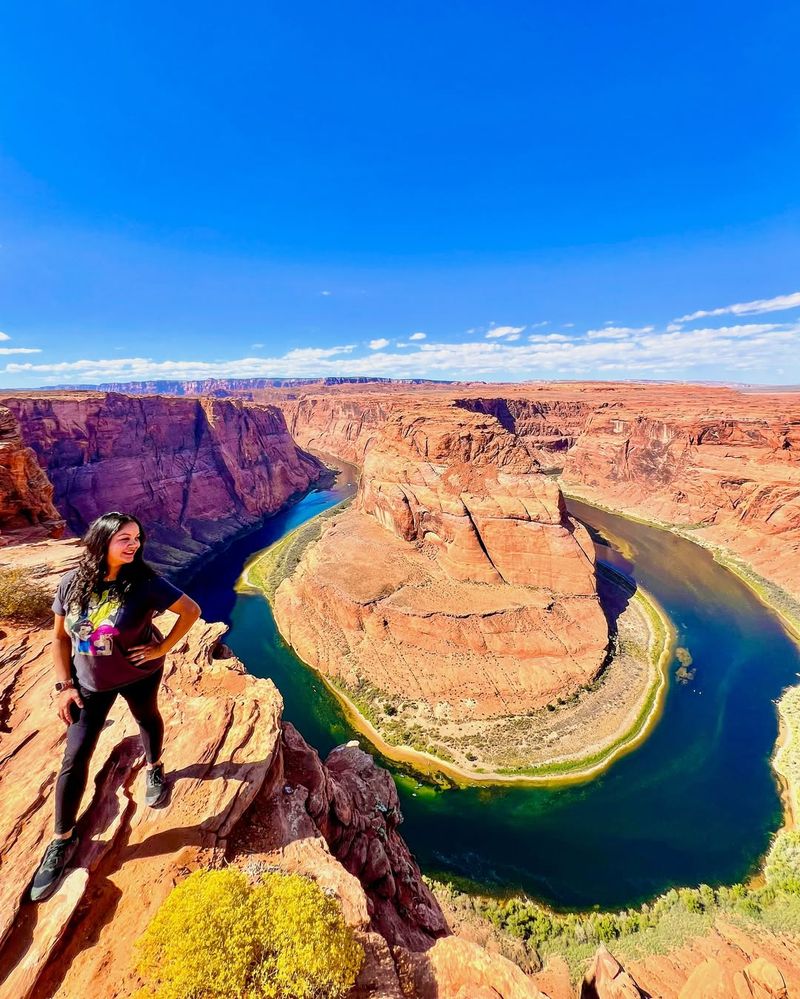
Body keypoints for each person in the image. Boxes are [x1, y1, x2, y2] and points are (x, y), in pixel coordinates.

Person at [29, 512, 201, 902]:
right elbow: (59, 638)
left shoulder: (144, 583)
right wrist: (63, 686)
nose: (134, 545)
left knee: (146, 718)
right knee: (75, 757)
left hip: (139, 673)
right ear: (102, 539)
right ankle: (62, 839)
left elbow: (191, 611)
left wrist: (161, 648)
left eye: (137, 538)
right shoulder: (72, 584)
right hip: (89, 684)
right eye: (124, 538)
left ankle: (155, 770)